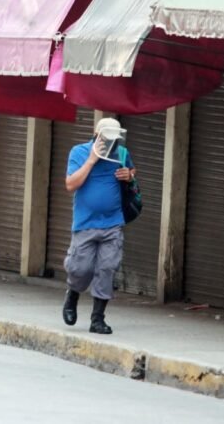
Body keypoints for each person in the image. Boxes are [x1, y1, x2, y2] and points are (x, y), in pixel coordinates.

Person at [63, 118, 135, 334]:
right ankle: (73, 293)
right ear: (96, 134)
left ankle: (98, 318)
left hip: (112, 223)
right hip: (86, 223)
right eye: (106, 139)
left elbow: (132, 172)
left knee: (107, 268)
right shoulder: (79, 152)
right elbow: (70, 184)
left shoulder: (121, 154)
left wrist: (128, 175)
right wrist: (92, 160)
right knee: (80, 268)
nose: (110, 143)